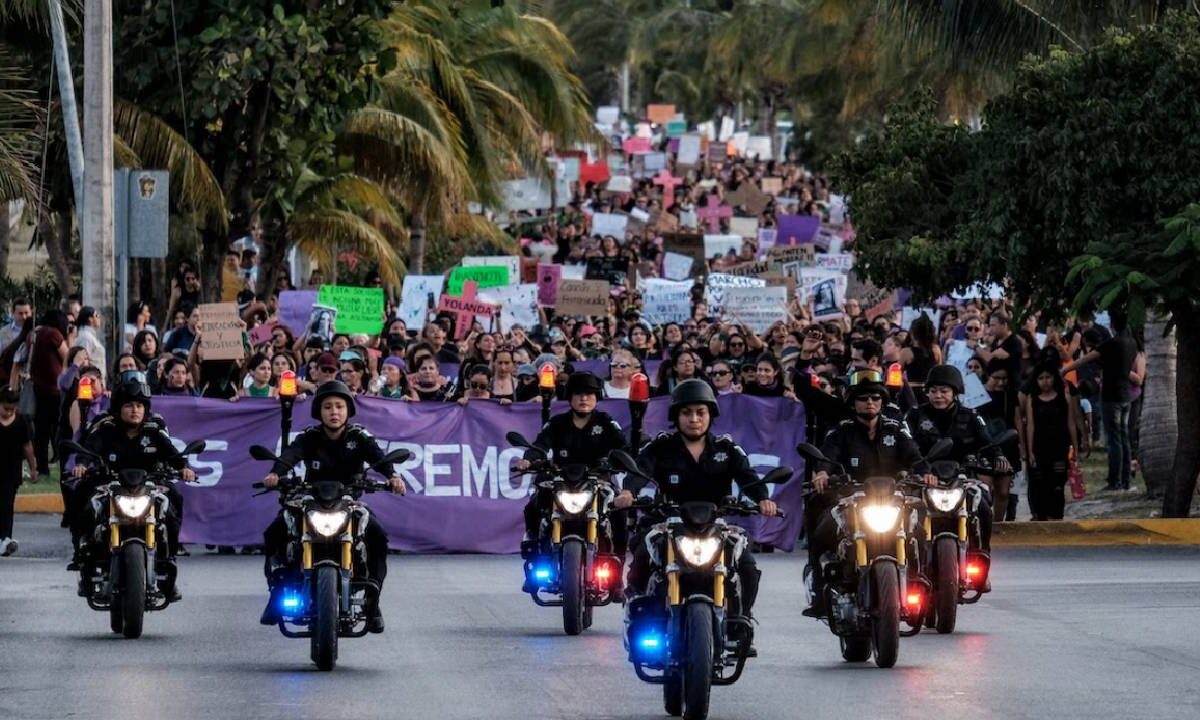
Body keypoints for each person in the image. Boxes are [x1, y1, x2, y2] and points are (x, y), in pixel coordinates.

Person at [614, 380, 778, 623]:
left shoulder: (727, 449)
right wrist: (628, 492)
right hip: (667, 520)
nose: (694, 419)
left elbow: (748, 478)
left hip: (716, 524)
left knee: (747, 566)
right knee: (642, 552)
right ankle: (640, 613)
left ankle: (739, 619)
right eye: (686, 412)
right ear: (676, 416)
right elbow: (639, 471)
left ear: (710, 415)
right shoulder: (660, 446)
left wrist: (763, 499)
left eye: (700, 412)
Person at [259, 381, 406, 632]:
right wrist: (275, 473)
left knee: (378, 537)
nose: (334, 412)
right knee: (275, 530)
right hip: (310, 501)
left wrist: (392, 476)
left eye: (339, 406)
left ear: (348, 410)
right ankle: (277, 591)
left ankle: (372, 600)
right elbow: (290, 456)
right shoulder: (309, 437)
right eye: (328, 407)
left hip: (350, 503)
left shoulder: (360, 436)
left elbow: (378, 458)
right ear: (320, 411)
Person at [802, 369, 932, 617]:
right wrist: (822, 473)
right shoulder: (842, 431)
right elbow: (827, 457)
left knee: (919, 525)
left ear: (883, 401)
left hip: (891, 500)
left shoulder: (895, 429)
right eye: (863, 398)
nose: (870, 402)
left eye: (875, 397)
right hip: (852, 500)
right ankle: (820, 590)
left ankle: (919, 578)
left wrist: (926, 473)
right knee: (820, 529)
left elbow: (915, 456)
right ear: (852, 402)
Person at [69, 376, 196, 600]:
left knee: (174, 501)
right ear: (118, 408)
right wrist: (81, 465)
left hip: (150, 485)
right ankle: (83, 552)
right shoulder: (106, 428)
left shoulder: (154, 429)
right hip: (112, 483)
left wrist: (184, 468)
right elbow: (89, 449)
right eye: (129, 405)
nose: (134, 410)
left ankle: (169, 559)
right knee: (83, 496)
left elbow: (173, 455)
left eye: (139, 405)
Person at [515, 372, 628, 557]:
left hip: (599, 481)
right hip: (561, 480)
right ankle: (534, 551)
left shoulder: (606, 422)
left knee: (619, 510)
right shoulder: (557, 423)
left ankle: (618, 560)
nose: (584, 398)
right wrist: (528, 459)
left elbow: (623, 447)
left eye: (589, 394)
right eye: (578, 394)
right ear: (570, 397)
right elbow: (541, 445)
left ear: (597, 397)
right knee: (534, 505)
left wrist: (621, 461)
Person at [906, 365, 1007, 559]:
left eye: (944, 391)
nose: (938, 396)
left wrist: (998, 457)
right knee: (903, 508)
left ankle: (982, 552)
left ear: (955, 393)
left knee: (983, 502)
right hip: (923, 478)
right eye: (933, 391)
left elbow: (988, 442)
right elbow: (904, 444)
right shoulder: (914, 415)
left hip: (962, 477)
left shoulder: (971, 416)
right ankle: (910, 560)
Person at [1060, 314, 1138, 491]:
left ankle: (1114, 480)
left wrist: (1064, 370)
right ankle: (1126, 479)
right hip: (1126, 395)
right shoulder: (1131, 343)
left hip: (1111, 395)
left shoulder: (1111, 344)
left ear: (1112, 324)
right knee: (1124, 437)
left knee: (1114, 440)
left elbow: (1084, 359)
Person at [1024, 365, 1077, 520]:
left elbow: (1071, 423)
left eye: (1048, 377)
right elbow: (1030, 425)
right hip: (1039, 447)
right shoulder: (1032, 399)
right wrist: (1030, 451)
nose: (1045, 381)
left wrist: (1075, 446)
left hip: (1059, 446)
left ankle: (1056, 516)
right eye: (1041, 378)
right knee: (1039, 483)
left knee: (1057, 484)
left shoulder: (1064, 398)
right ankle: (1040, 516)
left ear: (1054, 378)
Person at [0, 388, 36, 556]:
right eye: (5, 409)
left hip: (11, 470)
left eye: (12, 409)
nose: (8, 412)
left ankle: (5, 539)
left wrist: (33, 468)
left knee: (7, 505)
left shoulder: (22, 422)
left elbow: (27, 447)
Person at [73, 307, 107, 382]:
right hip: (90, 382)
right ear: (90, 319)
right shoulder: (86, 337)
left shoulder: (89, 336)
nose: (99, 318)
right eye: (97, 315)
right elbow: (83, 362)